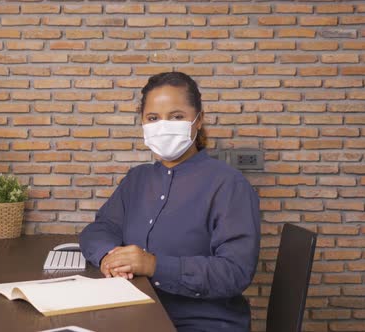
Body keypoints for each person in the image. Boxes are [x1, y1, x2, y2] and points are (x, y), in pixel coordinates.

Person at [79, 72, 261, 332]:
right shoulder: (137, 179)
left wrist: (154, 265)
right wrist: (110, 256)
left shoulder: (228, 184)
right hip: (136, 314)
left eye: (176, 117)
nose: (163, 126)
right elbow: (100, 228)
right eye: (153, 118)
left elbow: (235, 272)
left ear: (199, 120)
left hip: (201, 324)